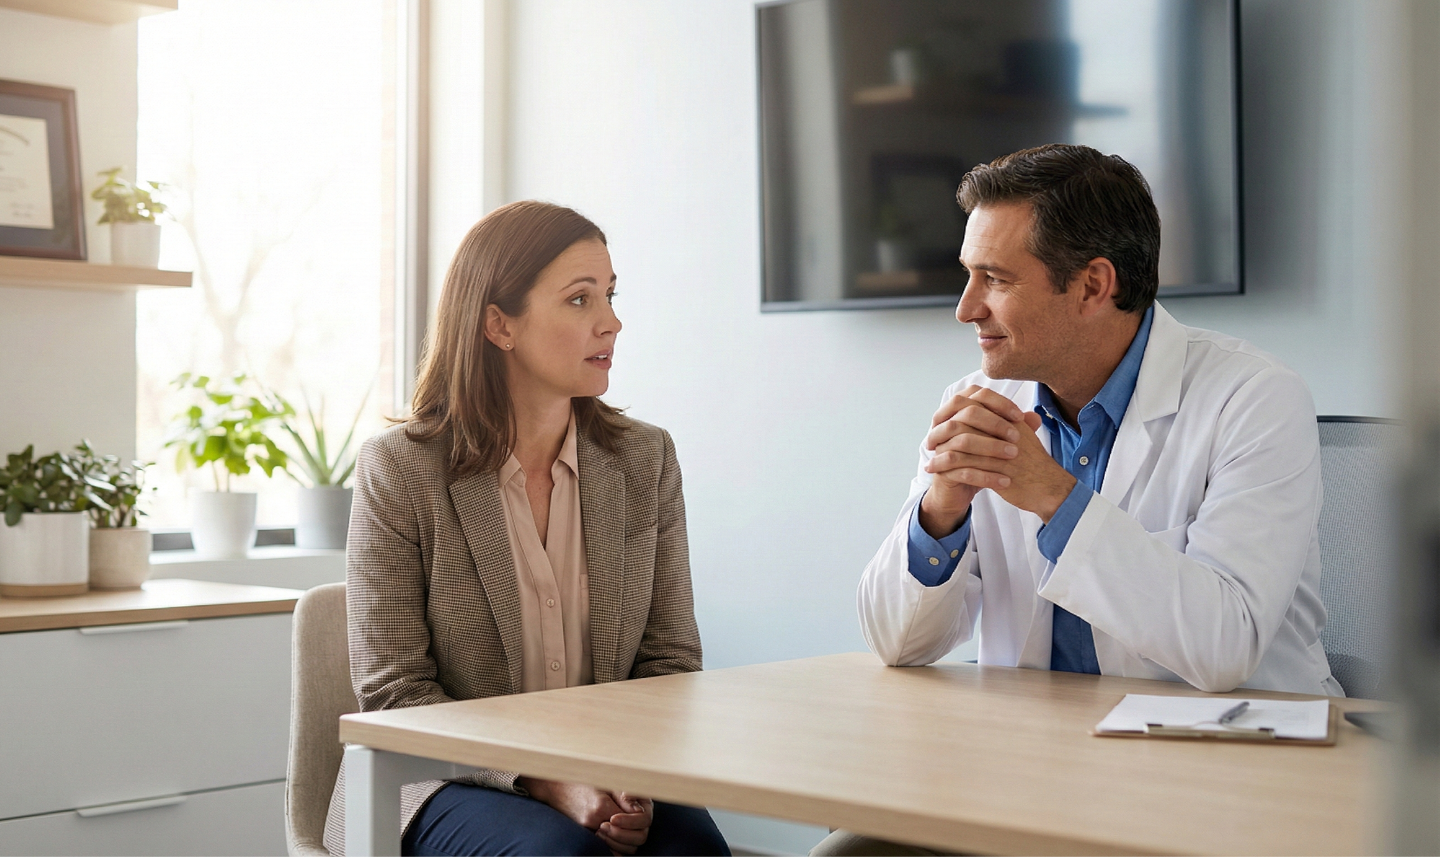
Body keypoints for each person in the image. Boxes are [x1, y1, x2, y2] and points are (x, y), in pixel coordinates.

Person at [815, 143, 1339, 855]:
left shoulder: (1254, 399)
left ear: (1093, 284)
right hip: (1032, 767)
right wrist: (942, 509)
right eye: (968, 276)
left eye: (995, 279)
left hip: (1225, 776)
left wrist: (1056, 499)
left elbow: (1224, 646)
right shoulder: (977, 402)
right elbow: (898, 642)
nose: (966, 309)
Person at [322, 200, 730, 857]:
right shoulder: (400, 469)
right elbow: (397, 695)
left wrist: (625, 777)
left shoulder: (645, 458)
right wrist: (542, 778)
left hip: (613, 763)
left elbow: (669, 662)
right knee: (559, 854)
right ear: (499, 324)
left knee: (695, 852)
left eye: (611, 295)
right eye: (579, 299)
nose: (611, 321)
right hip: (437, 777)